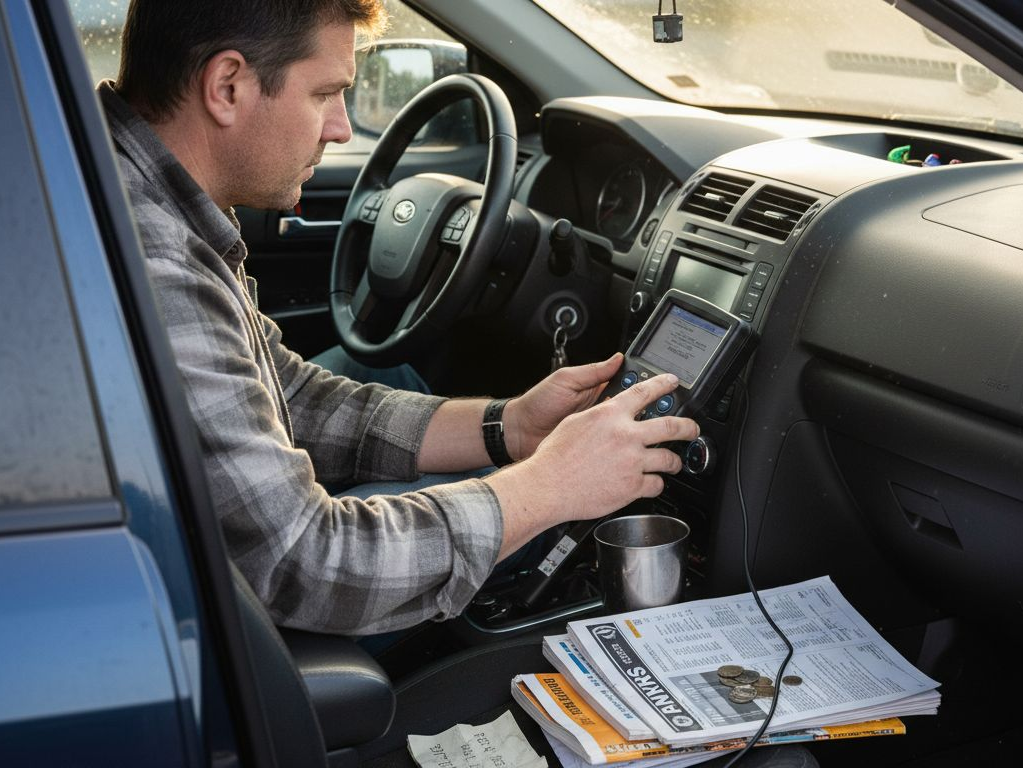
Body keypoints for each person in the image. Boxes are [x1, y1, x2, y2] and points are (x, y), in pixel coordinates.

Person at [101, 0, 699, 636]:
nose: (339, 128)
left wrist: (511, 426)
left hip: (186, 585)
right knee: (547, 526)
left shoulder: (127, 188)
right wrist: (551, 487)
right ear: (227, 86)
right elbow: (310, 563)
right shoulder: (157, 262)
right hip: (223, 646)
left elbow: (288, 395)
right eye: (327, 92)